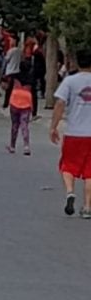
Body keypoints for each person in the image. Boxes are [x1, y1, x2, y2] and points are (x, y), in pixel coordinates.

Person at [50, 49, 91, 219]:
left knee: (68, 165)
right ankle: (88, 207)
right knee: (90, 171)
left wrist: (54, 126)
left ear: (77, 62)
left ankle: (70, 192)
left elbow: (60, 103)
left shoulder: (70, 81)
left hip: (74, 132)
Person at [7, 60, 34, 155]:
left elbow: (9, 89)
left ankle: (12, 146)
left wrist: (6, 102)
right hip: (26, 102)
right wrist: (34, 110)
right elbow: (33, 94)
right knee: (24, 125)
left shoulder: (15, 76)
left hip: (14, 100)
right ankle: (26, 146)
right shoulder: (31, 78)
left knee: (14, 124)